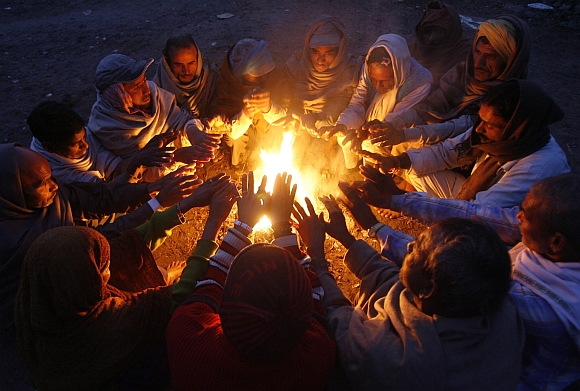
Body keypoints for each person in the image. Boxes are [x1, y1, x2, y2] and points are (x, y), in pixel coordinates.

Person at [0, 143, 214, 389]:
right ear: (12, 193)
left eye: (51, 177)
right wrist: (214, 229)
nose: (55, 186)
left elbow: (100, 200)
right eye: (42, 183)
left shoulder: (54, 219)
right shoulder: (23, 247)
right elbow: (174, 301)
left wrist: (158, 193)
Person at [339, 173, 580, 390]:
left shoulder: (542, 309)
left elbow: (442, 270)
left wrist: (374, 227)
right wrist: (394, 201)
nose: (517, 215)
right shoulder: (554, 241)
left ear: (556, 242)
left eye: (525, 215)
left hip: (513, 378)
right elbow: (474, 216)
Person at [292, 196, 524, 391]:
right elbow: (394, 283)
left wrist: (316, 258)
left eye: (418, 248)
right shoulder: (482, 297)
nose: (410, 246)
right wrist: (346, 238)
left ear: (427, 290)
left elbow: (336, 320)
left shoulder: (394, 358)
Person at [166, 172, 336, 390]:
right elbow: (313, 301)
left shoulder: (187, 337)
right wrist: (283, 226)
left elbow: (208, 288)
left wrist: (243, 225)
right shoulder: (317, 358)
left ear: (222, 308)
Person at [360, 79, 569, 208]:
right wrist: (395, 162)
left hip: (501, 228)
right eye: (481, 119)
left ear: (515, 128)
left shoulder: (535, 168)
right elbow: (446, 152)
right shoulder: (502, 139)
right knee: (414, 167)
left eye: (490, 125)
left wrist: (399, 198)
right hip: (473, 195)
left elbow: (481, 213)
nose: (479, 129)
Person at [361, 14, 531, 155]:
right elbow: (429, 107)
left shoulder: (508, 99)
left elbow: (456, 129)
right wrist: (392, 124)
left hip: (466, 153)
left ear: (510, 60)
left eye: (491, 56)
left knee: (409, 153)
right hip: (438, 141)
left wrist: (403, 134)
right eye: (477, 52)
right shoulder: (462, 75)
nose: (478, 63)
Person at [87, 53, 221, 170]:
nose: (146, 90)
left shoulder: (155, 95)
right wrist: (176, 157)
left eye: (144, 81)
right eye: (136, 87)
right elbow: (131, 170)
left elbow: (180, 119)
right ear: (118, 95)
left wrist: (194, 132)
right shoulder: (107, 127)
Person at [319, 34, 432, 170]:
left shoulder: (419, 81)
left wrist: (362, 134)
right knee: (343, 134)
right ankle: (353, 168)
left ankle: (381, 173)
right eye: (374, 79)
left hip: (400, 131)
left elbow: (394, 122)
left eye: (385, 80)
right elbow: (357, 104)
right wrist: (343, 125)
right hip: (371, 123)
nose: (378, 86)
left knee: (373, 144)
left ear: (398, 71)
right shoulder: (368, 69)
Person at [283, 15, 364, 171]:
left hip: (333, 122)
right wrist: (299, 116)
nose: (320, 60)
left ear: (340, 50)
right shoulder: (296, 66)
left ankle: (340, 160)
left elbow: (350, 106)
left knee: (343, 142)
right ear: (308, 48)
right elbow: (289, 98)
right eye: (315, 51)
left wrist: (322, 119)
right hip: (302, 121)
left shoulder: (351, 70)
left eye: (329, 53)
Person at [28, 100, 177, 184]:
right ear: (50, 147)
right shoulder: (55, 173)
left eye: (84, 137)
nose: (85, 145)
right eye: (76, 144)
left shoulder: (86, 139)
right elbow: (107, 194)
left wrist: (146, 153)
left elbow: (116, 168)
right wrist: (140, 159)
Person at [211, 38, 288, 170]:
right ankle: (240, 165)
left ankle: (273, 163)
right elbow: (230, 132)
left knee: (278, 127)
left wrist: (268, 108)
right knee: (235, 137)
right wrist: (246, 113)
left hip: (266, 136)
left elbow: (286, 118)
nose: (263, 78)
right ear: (241, 74)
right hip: (242, 138)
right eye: (256, 75)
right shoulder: (226, 85)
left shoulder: (274, 78)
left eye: (264, 72)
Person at [408, 1, 471, 89]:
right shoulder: (412, 49)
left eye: (439, 32)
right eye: (428, 32)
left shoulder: (465, 54)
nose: (431, 39)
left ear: (451, 33)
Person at [154, 34, 218, 118]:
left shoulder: (211, 79)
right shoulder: (155, 92)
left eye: (191, 63)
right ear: (167, 63)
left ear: (198, 59)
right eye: (178, 65)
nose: (186, 71)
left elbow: (220, 105)